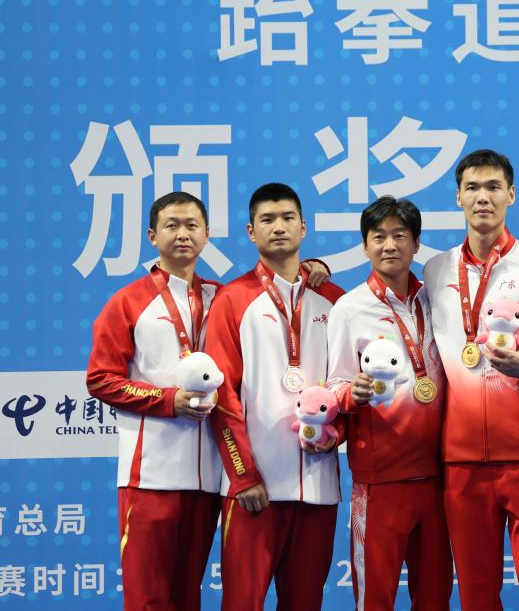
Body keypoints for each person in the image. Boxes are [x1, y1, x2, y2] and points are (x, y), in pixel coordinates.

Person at [422, 149, 519, 610]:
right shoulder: (435, 270)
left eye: (492, 187)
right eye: (472, 188)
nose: (482, 197)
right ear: (458, 197)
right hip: (461, 459)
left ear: (511, 194)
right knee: (476, 593)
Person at [205, 182, 345, 610]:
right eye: (267, 220)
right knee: (242, 603)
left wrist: (335, 437)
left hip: (318, 488)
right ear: (251, 232)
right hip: (255, 489)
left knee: (305, 602)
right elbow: (221, 394)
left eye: (287, 218)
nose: (278, 227)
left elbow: (347, 385)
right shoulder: (232, 300)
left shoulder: (335, 301)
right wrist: (243, 475)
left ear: (304, 227)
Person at [86, 192, 223, 610]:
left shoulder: (223, 298)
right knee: (147, 600)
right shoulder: (128, 301)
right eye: (171, 225)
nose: (183, 234)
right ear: (152, 236)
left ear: (206, 234)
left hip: (208, 477)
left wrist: (314, 270)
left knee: (188, 597)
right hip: (150, 476)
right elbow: (100, 379)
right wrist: (168, 400)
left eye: (192, 225)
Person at [326, 196, 452, 610]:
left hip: (439, 474)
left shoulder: (437, 300)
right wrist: (353, 393)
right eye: (378, 237)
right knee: (375, 598)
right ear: (365, 246)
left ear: (416, 243)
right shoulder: (349, 309)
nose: (390, 245)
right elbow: (335, 385)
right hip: (380, 479)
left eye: (400, 235)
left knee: (434, 596)